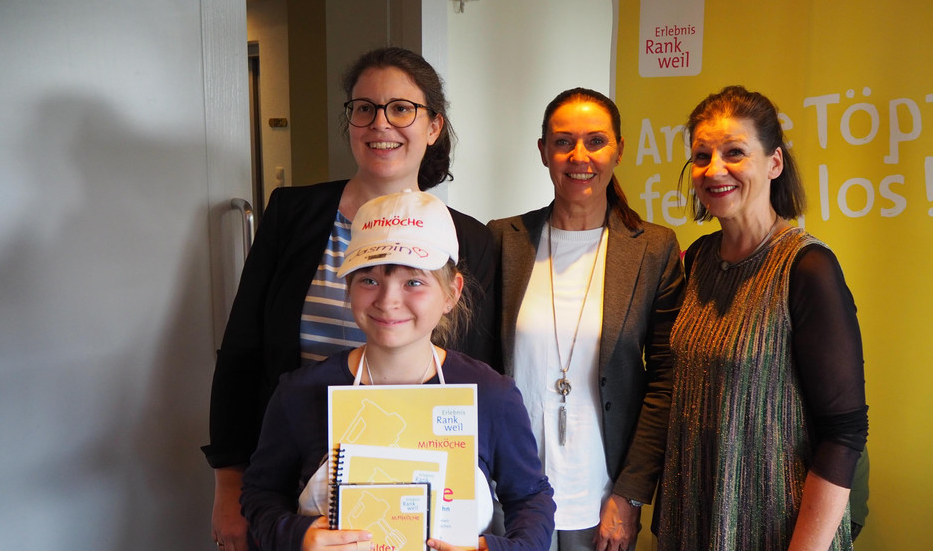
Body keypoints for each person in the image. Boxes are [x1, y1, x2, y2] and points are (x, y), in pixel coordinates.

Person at [204, 47, 498, 551]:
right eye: (365, 108)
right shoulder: (293, 214)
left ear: (433, 126)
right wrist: (230, 485)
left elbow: (474, 374)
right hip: (292, 485)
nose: (381, 123)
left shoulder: (468, 240)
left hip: (421, 490)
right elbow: (242, 351)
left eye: (401, 108)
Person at [240, 190, 554, 551]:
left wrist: (497, 549)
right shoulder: (299, 393)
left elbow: (531, 498)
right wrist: (298, 536)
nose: (388, 301)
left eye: (413, 282)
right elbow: (261, 493)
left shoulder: (491, 394)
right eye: (369, 280)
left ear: (452, 292)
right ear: (349, 287)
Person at [655, 85, 868, 551]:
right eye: (702, 156)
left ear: (774, 163)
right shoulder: (697, 259)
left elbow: (844, 434)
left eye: (735, 152)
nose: (714, 169)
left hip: (774, 525)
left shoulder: (807, 268)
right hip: (692, 516)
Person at [488, 88, 684, 551]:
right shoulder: (503, 240)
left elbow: (666, 382)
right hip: (508, 495)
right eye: (563, 142)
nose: (580, 156)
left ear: (619, 149)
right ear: (543, 151)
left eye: (596, 141)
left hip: (599, 499)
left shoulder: (652, 249)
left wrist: (630, 495)